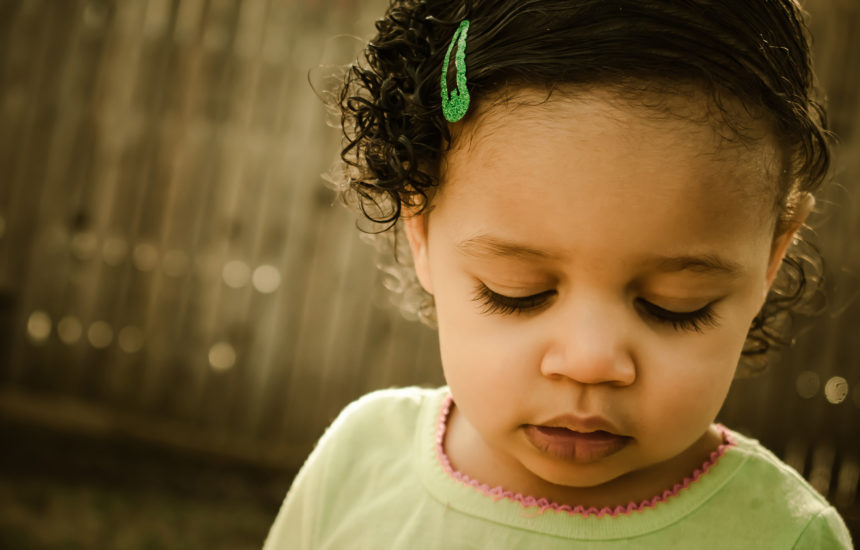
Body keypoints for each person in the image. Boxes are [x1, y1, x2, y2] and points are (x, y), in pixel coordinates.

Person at [264, 0, 854, 547]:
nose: (589, 362)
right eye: (517, 293)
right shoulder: (361, 462)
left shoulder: (783, 536)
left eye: (677, 304)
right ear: (419, 229)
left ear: (774, 256)